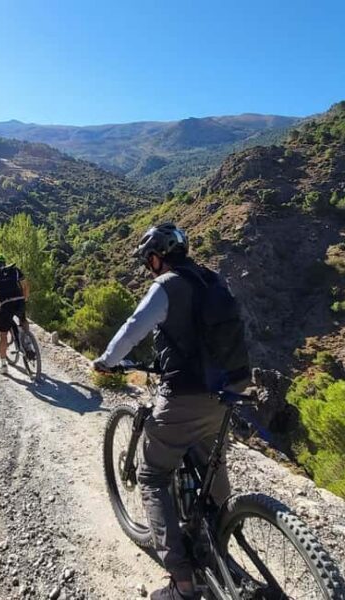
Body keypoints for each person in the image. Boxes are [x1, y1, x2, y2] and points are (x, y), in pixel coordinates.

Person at [93, 223, 249, 600]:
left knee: (151, 475)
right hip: (231, 389)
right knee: (211, 464)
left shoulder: (166, 286)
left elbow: (134, 327)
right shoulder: (211, 280)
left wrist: (106, 360)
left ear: (155, 257)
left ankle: (182, 582)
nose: (150, 266)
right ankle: (220, 542)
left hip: (186, 394)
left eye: (149, 261)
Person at [0, 253, 29, 375]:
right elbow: (25, 285)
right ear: (4, 262)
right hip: (19, 301)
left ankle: (4, 365)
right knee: (23, 320)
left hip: (5, 304)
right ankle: (27, 342)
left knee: (3, 334)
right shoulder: (14, 269)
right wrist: (25, 298)